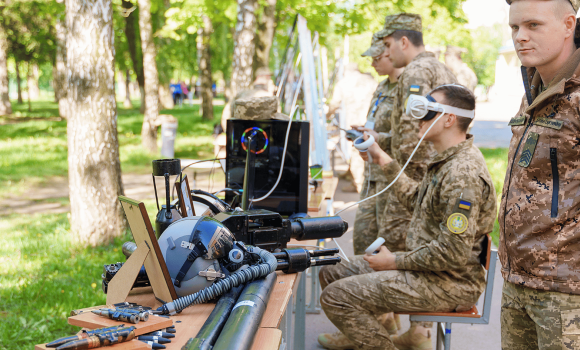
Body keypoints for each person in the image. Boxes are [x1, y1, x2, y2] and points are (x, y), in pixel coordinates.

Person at [318, 84, 497, 350]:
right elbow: (417, 200)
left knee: (336, 296)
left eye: (427, 112)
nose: (418, 119)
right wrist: (381, 158)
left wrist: (394, 261)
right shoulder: (447, 160)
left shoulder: (462, 173)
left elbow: (452, 253)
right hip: (429, 270)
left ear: (448, 119)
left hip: (449, 282)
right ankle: (360, 331)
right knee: (331, 271)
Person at [500, 1, 580, 348]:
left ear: (568, 25)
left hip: (567, 294)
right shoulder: (535, 88)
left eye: (533, 25)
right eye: (514, 28)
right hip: (519, 280)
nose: (521, 37)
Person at [326, 62, 378, 193]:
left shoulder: (343, 83)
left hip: (354, 122)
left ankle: (359, 184)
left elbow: (334, 103)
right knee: (368, 149)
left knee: (356, 152)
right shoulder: (370, 81)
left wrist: (327, 115)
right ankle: (358, 179)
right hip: (370, 122)